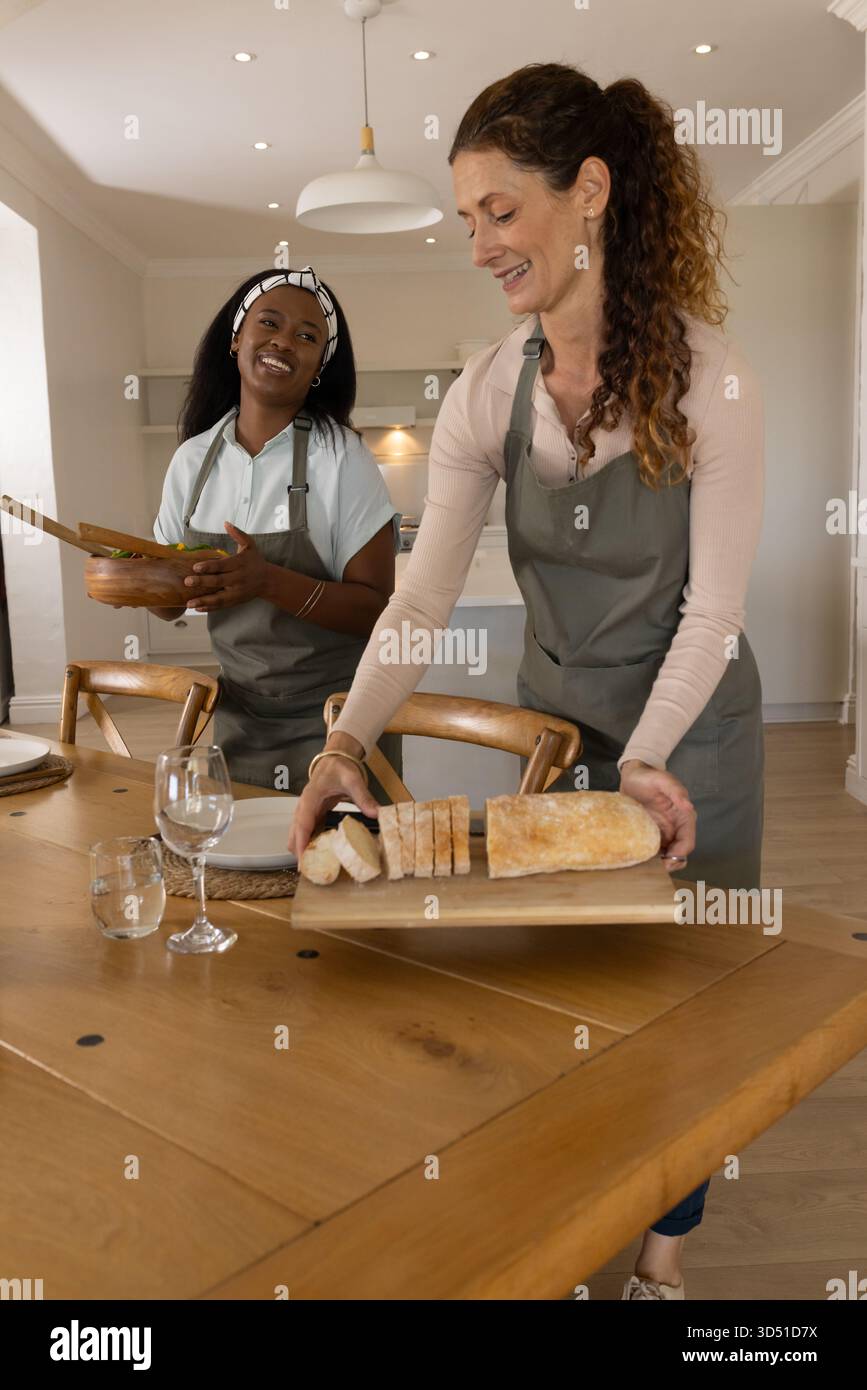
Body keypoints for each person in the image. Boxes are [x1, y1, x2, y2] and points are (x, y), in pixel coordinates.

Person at [290, 64, 765, 1300]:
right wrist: (345, 745)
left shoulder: (713, 379)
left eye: (502, 210)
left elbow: (713, 611)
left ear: (589, 192)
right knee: (567, 1002)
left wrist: (652, 756)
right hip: (559, 734)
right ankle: (570, 1215)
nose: (481, 245)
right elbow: (420, 602)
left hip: (691, 735)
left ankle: (662, 1258)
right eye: (466, 221)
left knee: (681, 1016)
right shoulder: (489, 395)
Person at [150, 266, 402, 793]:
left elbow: (375, 608)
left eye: (307, 336)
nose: (284, 342)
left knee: (348, 865)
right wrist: (135, 581)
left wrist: (266, 581)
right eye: (270, 323)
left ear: (318, 367)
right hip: (241, 718)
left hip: (342, 722)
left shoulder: (342, 458)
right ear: (237, 339)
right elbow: (169, 602)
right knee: (251, 874)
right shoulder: (193, 461)